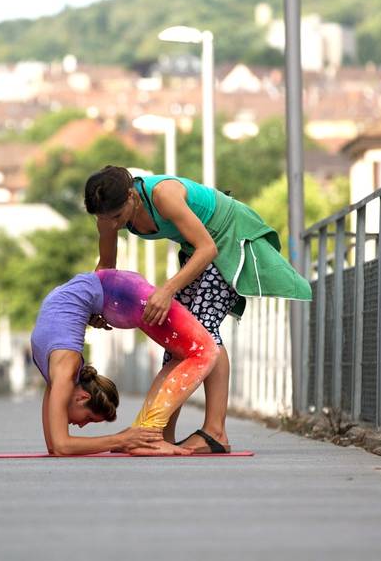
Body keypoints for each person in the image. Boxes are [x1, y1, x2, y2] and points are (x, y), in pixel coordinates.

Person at [84, 166, 311, 453]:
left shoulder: (163, 194)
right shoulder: (107, 216)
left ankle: (215, 432)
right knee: (174, 337)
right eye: (105, 220)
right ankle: (158, 432)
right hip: (198, 250)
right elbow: (106, 268)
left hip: (229, 239)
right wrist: (93, 304)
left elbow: (208, 248)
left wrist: (167, 290)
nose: (112, 225)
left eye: (117, 217)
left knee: (203, 331)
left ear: (131, 196)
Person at [31, 269, 221, 456]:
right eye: (89, 419)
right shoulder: (62, 372)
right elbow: (57, 446)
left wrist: (125, 439)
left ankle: (148, 436)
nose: (81, 425)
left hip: (122, 293)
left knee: (204, 351)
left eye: (87, 419)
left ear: (82, 398)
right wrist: (122, 439)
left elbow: (59, 445)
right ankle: (147, 435)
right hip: (115, 290)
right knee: (196, 352)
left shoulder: (64, 370)